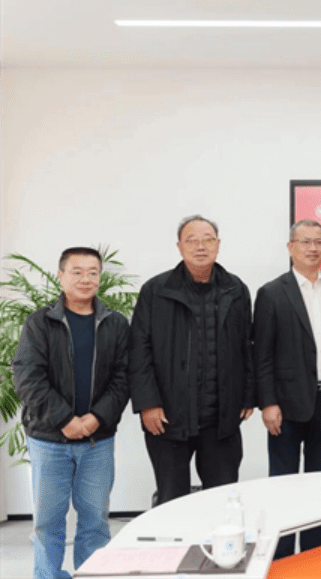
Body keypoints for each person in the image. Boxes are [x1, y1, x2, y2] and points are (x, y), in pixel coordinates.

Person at [12, 247, 130, 579]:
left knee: (96, 521)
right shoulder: (39, 322)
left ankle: (92, 575)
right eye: (77, 272)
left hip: (97, 441)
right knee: (48, 523)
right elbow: (28, 377)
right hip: (49, 440)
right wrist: (65, 420)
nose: (85, 279)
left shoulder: (115, 323)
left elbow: (124, 378)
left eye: (93, 272)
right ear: (61, 276)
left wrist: (96, 418)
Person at [128, 215, 254, 505]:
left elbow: (246, 345)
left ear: (218, 244)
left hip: (220, 420)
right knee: (172, 501)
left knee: (222, 499)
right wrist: (148, 403)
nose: (200, 246)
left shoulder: (236, 289)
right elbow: (139, 350)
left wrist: (248, 395)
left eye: (208, 239)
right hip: (168, 418)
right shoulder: (156, 290)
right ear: (179, 246)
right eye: (192, 240)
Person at [253, 219, 321, 557]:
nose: (312, 248)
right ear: (290, 247)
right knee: (283, 485)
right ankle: (283, 559)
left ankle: (313, 556)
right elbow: (262, 354)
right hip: (284, 405)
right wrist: (267, 403)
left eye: (318, 242)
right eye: (304, 242)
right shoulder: (271, 293)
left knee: (318, 486)